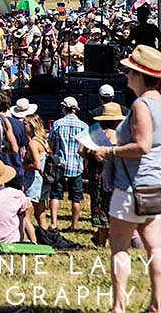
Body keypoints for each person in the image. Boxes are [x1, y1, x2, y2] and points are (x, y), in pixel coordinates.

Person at [91, 45, 161, 313]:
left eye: (129, 70)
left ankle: (118, 306)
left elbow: (141, 145)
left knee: (120, 247)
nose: (126, 74)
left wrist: (107, 150)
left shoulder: (141, 104)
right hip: (154, 181)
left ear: (140, 74)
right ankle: (157, 304)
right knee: (155, 246)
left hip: (131, 184)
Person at [86, 102, 124, 247]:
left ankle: (100, 239)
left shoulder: (94, 134)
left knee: (101, 207)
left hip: (97, 176)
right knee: (114, 208)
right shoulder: (120, 136)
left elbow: (82, 152)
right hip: (116, 175)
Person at [48, 95, 88, 231]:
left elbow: (51, 142)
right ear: (76, 110)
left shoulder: (57, 124)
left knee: (55, 195)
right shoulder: (84, 126)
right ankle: (75, 224)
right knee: (76, 197)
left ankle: (53, 223)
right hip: (76, 164)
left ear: (64, 108)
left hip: (60, 163)